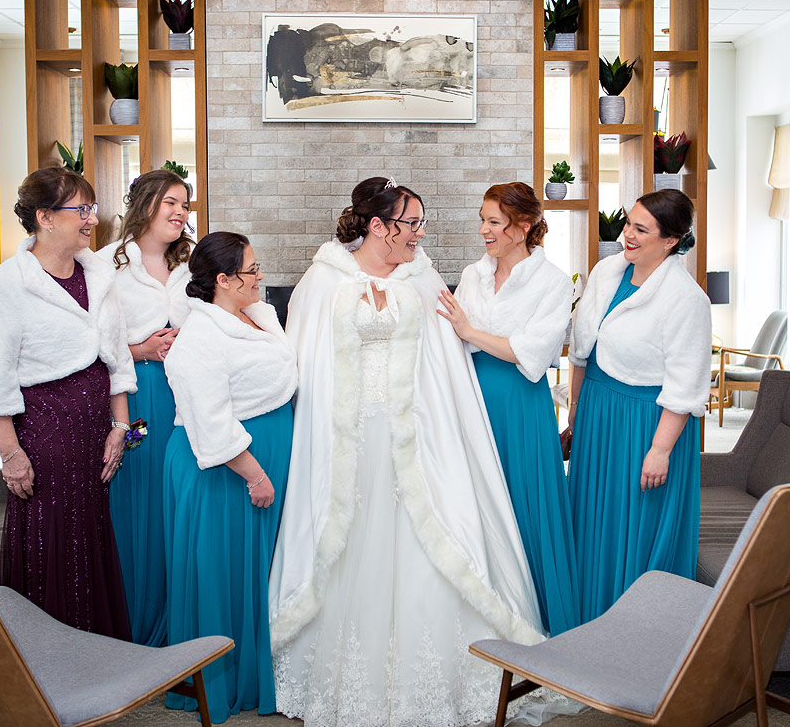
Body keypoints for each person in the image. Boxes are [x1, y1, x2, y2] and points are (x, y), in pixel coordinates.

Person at [269, 177, 544, 727]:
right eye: (411, 223)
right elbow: (305, 361)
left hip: (416, 435)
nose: (421, 234)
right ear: (378, 226)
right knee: (351, 540)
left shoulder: (423, 277)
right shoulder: (323, 281)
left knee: (427, 537)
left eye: (421, 222)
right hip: (348, 437)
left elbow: (447, 362)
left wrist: (445, 430)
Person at [0, 167, 134, 639]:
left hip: (94, 439)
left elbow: (117, 357)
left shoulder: (98, 274)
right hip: (45, 439)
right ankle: (47, 666)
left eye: (91, 209)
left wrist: (119, 428)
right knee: (52, 546)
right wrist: (10, 456)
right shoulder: (9, 284)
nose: (90, 220)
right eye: (80, 210)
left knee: (91, 545)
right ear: (44, 217)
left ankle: (96, 656)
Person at [437, 182, 580, 637]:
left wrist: (467, 330)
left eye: (493, 222)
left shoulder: (553, 282)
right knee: (474, 502)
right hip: (471, 396)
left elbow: (532, 353)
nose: (483, 230)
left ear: (522, 228)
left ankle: (534, 620)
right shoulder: (473, 272)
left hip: (518, 405)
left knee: (522, 504)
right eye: (482, 219)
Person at [163, 232, 296, 723]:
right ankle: (229, 680)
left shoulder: (258, 314)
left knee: (261, 571)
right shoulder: (199, 337)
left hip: (263, 454)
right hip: (225, 469)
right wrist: (255, 474)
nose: (261, 278)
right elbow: (211, 421)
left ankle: (265, 667)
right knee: (226, 572)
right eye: (253, 270)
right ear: (223, 280)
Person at [562, 189, 712, 624]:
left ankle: (632, 635)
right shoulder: (608, 270)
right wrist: (577, 407)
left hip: (645, 425)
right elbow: (581, 347)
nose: (627, 235)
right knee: (594, 525)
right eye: (628, 223)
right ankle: (586, 621)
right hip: (599, 411)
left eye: (640, 229)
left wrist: (661, 450)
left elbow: (685, 386)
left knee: (636, 527)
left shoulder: (686, 300)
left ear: (670, 241)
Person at [96, 168, 194, 647]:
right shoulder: (105, 267)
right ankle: (135, 620)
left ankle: (179, 616)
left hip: (187, 395)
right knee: (138, 498)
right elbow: (92, 346)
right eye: (171, 202)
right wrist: (141, 350)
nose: (180, 213)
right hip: (137, 404)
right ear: (145, 204)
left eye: (185, 205)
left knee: (179, 498)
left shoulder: (191, 267)